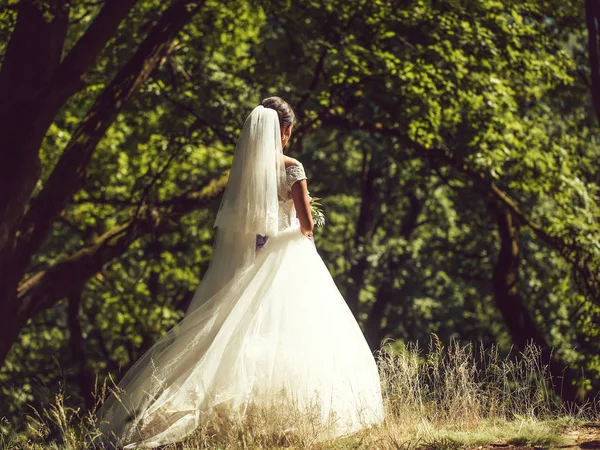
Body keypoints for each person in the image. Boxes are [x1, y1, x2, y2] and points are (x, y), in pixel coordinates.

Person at [97, 97, 384, 448]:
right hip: (289, 257)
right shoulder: (292, 168)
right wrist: (297, 221)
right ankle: (289, 416)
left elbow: (245, 226)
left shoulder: (246, 172)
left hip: (253, 258)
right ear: (285, 131)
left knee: (244, 332)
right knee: (298, 332)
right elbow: (307, 225)